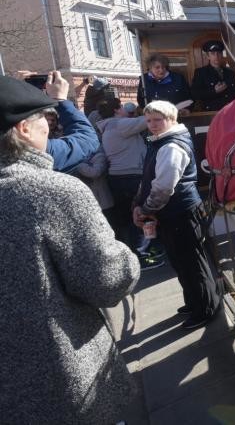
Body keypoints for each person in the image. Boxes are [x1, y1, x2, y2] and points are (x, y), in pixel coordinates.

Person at [0, 75, 140, 423]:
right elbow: (107, 281)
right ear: (23, 130)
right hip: (63, 384)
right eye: (45, 122)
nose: (50, 130)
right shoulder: (55, 192)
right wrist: (127, 257)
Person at [133, 100, 220, 329]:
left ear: (171, 120)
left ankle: (206, 309)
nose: (151, 125)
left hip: (181, 212)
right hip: (171, 213)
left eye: (157, 120)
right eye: (149, 120)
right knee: (181, 262)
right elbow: (148, 180)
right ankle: (194, 301)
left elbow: (163, 187)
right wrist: (138, 204)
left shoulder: (171, 147)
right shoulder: (160, 142)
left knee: (193, 264)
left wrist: (145, 209)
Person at [96, 98, 163, 270]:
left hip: (116, 179)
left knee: (127, 219)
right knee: (143, 215)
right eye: (123, 107)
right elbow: (147, 120)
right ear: (117, 110)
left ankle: (135, 253)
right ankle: (143, 255)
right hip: (132, 177)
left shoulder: (105, 127)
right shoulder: (120, 124)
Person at [191, 40, 235, 111]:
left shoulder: (230, 73)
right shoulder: (201, 72)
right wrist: (214, 91)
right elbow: (195, 94)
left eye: (219, 53)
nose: (216, 56)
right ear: (208, 56)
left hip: (231, 110)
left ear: (222, 55)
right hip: (212, 112)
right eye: (213, 54)